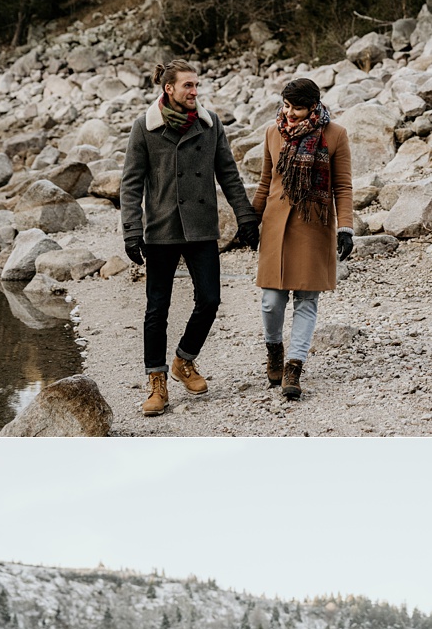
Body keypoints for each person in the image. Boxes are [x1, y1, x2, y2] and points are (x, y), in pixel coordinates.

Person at [120, 56, 260, 418]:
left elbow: (229, 174)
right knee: (157, 310)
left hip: (201, 227)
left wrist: (245, 217)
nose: (195, 91)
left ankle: (184, 360)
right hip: (162, 229)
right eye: (188, 85)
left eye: (196, 85)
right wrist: (132, 229)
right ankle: (157, 382)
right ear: (169, 89)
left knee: (210, 300)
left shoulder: (210, 125)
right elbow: (131, 184)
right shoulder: (144, 128)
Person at [250, 77, 354, 399]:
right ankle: (274, 350)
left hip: (314, 224)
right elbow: (266, 182)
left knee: (307, 302)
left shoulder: (335, 135)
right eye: (286, 105)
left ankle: (294, 368)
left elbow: (343, 186)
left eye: (297, 107)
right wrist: (248, 219)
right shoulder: (272, 132)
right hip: (275, 226)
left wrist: (346, 228)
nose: (290, 113)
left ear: (314, 106)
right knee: (271, 301)